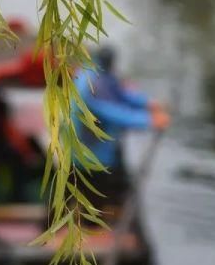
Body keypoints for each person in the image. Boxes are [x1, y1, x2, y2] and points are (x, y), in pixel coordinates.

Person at [71, 46, 170, 207]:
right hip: (89, 157)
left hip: (102, 152)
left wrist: (147, 103)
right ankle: (93, 225)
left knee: (114, 189)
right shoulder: (89, 85)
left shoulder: (98, 73)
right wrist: (148, 120)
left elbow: (118, 92)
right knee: (94, 202)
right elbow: (111, 111)